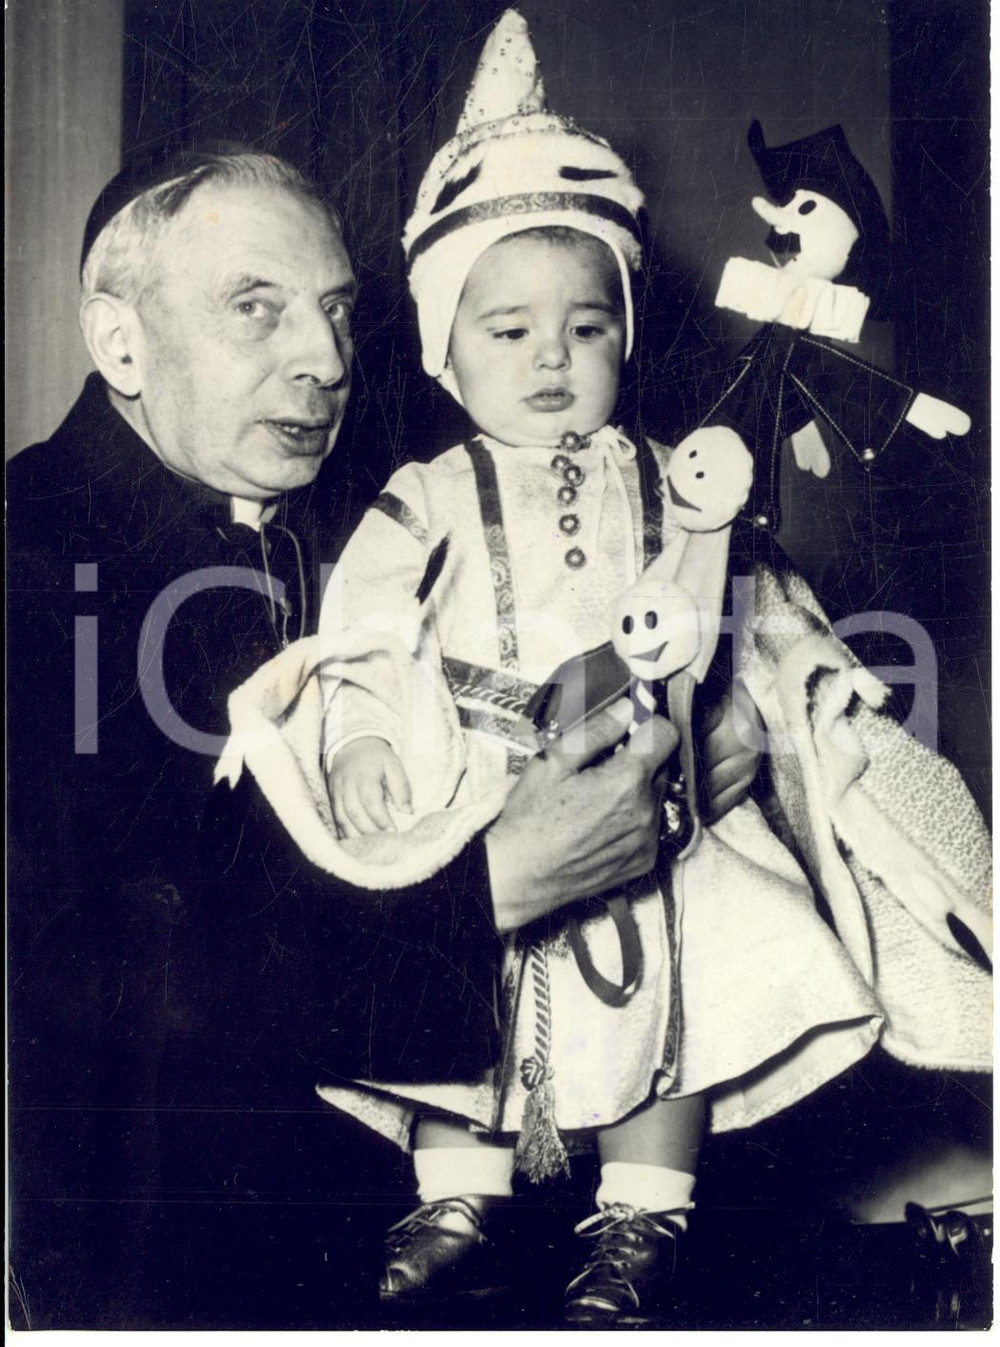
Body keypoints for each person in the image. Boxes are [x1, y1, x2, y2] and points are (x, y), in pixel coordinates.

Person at [294, 11, 990, 1327]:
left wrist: (789, 679)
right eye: (507, 330)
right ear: (444, 349)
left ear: (628, 331)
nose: (551, 357)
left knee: (698, 978)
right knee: (472, 1012)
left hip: (654, 781)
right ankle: (454, 1197)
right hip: (484, 777)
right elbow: (366, 630)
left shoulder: (672, 480)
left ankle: (646, 1213)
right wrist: (366, 737)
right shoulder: (421, 496)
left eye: (586, 325)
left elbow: (750, 601)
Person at [8, 144, 744, 1326]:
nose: (327, 361)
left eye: (339, 311)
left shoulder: (364, 526)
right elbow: (66, 1003)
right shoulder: (28, 566)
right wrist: (486, 887)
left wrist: (710, 734)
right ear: (120, 342)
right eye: (259, 309)